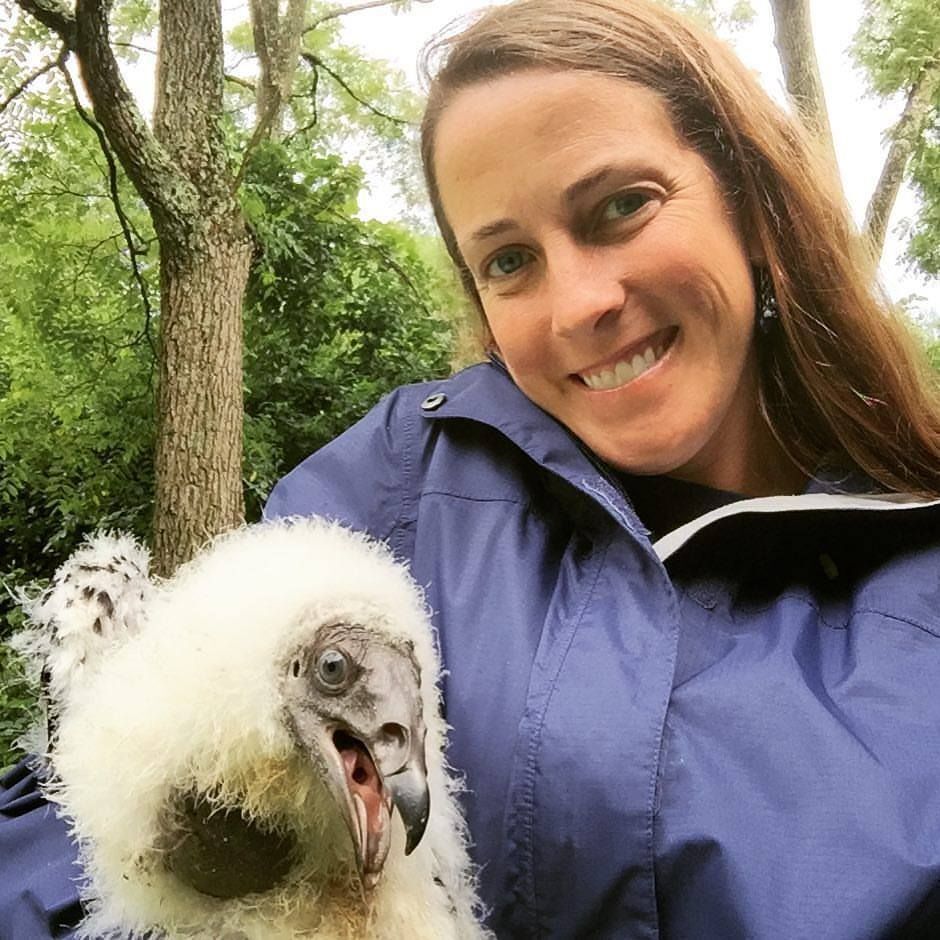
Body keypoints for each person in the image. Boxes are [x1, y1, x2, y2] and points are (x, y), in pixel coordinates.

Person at [3, 0, 940, 936]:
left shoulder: (917, 586)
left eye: (622, 206)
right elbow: (103, 817)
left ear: (751, 200)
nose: (578, 304)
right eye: (509, 260)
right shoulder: (398, 484)